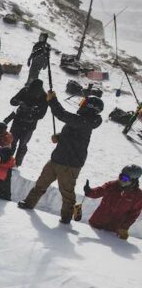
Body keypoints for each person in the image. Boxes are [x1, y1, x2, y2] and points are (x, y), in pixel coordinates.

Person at [18, 92, 104, 223]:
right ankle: (29, 203)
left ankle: (66, 217)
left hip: (70, 165)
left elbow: (61, 114)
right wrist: (59, 137)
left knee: (67, 193)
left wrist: (53, 100)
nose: (80, 105)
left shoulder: (85, 121)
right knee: (41, 183)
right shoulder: (81, 120)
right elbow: (73, 134)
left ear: (90, 108)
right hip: (57, 158)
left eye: (83, 103)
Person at [79, 165, 142, 239]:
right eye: (120, 176)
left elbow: (133, 214)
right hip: (97, 223)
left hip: (114, 229)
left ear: (133, 180)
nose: (121, 180)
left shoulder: (138, 196)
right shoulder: (113, 185)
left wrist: (124, 228)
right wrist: (89, 192)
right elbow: (100, 191)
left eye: (125, 178)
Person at [6, 79, 48, 166]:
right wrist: (19, 102)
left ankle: (17, 164)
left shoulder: (44, 97)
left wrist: (31, 114)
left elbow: (41, 115)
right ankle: (7, 160)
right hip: (18, 120)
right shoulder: (25, 90)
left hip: (29, 125)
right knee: (11, 142)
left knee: (22, 144)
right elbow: (12, 101)